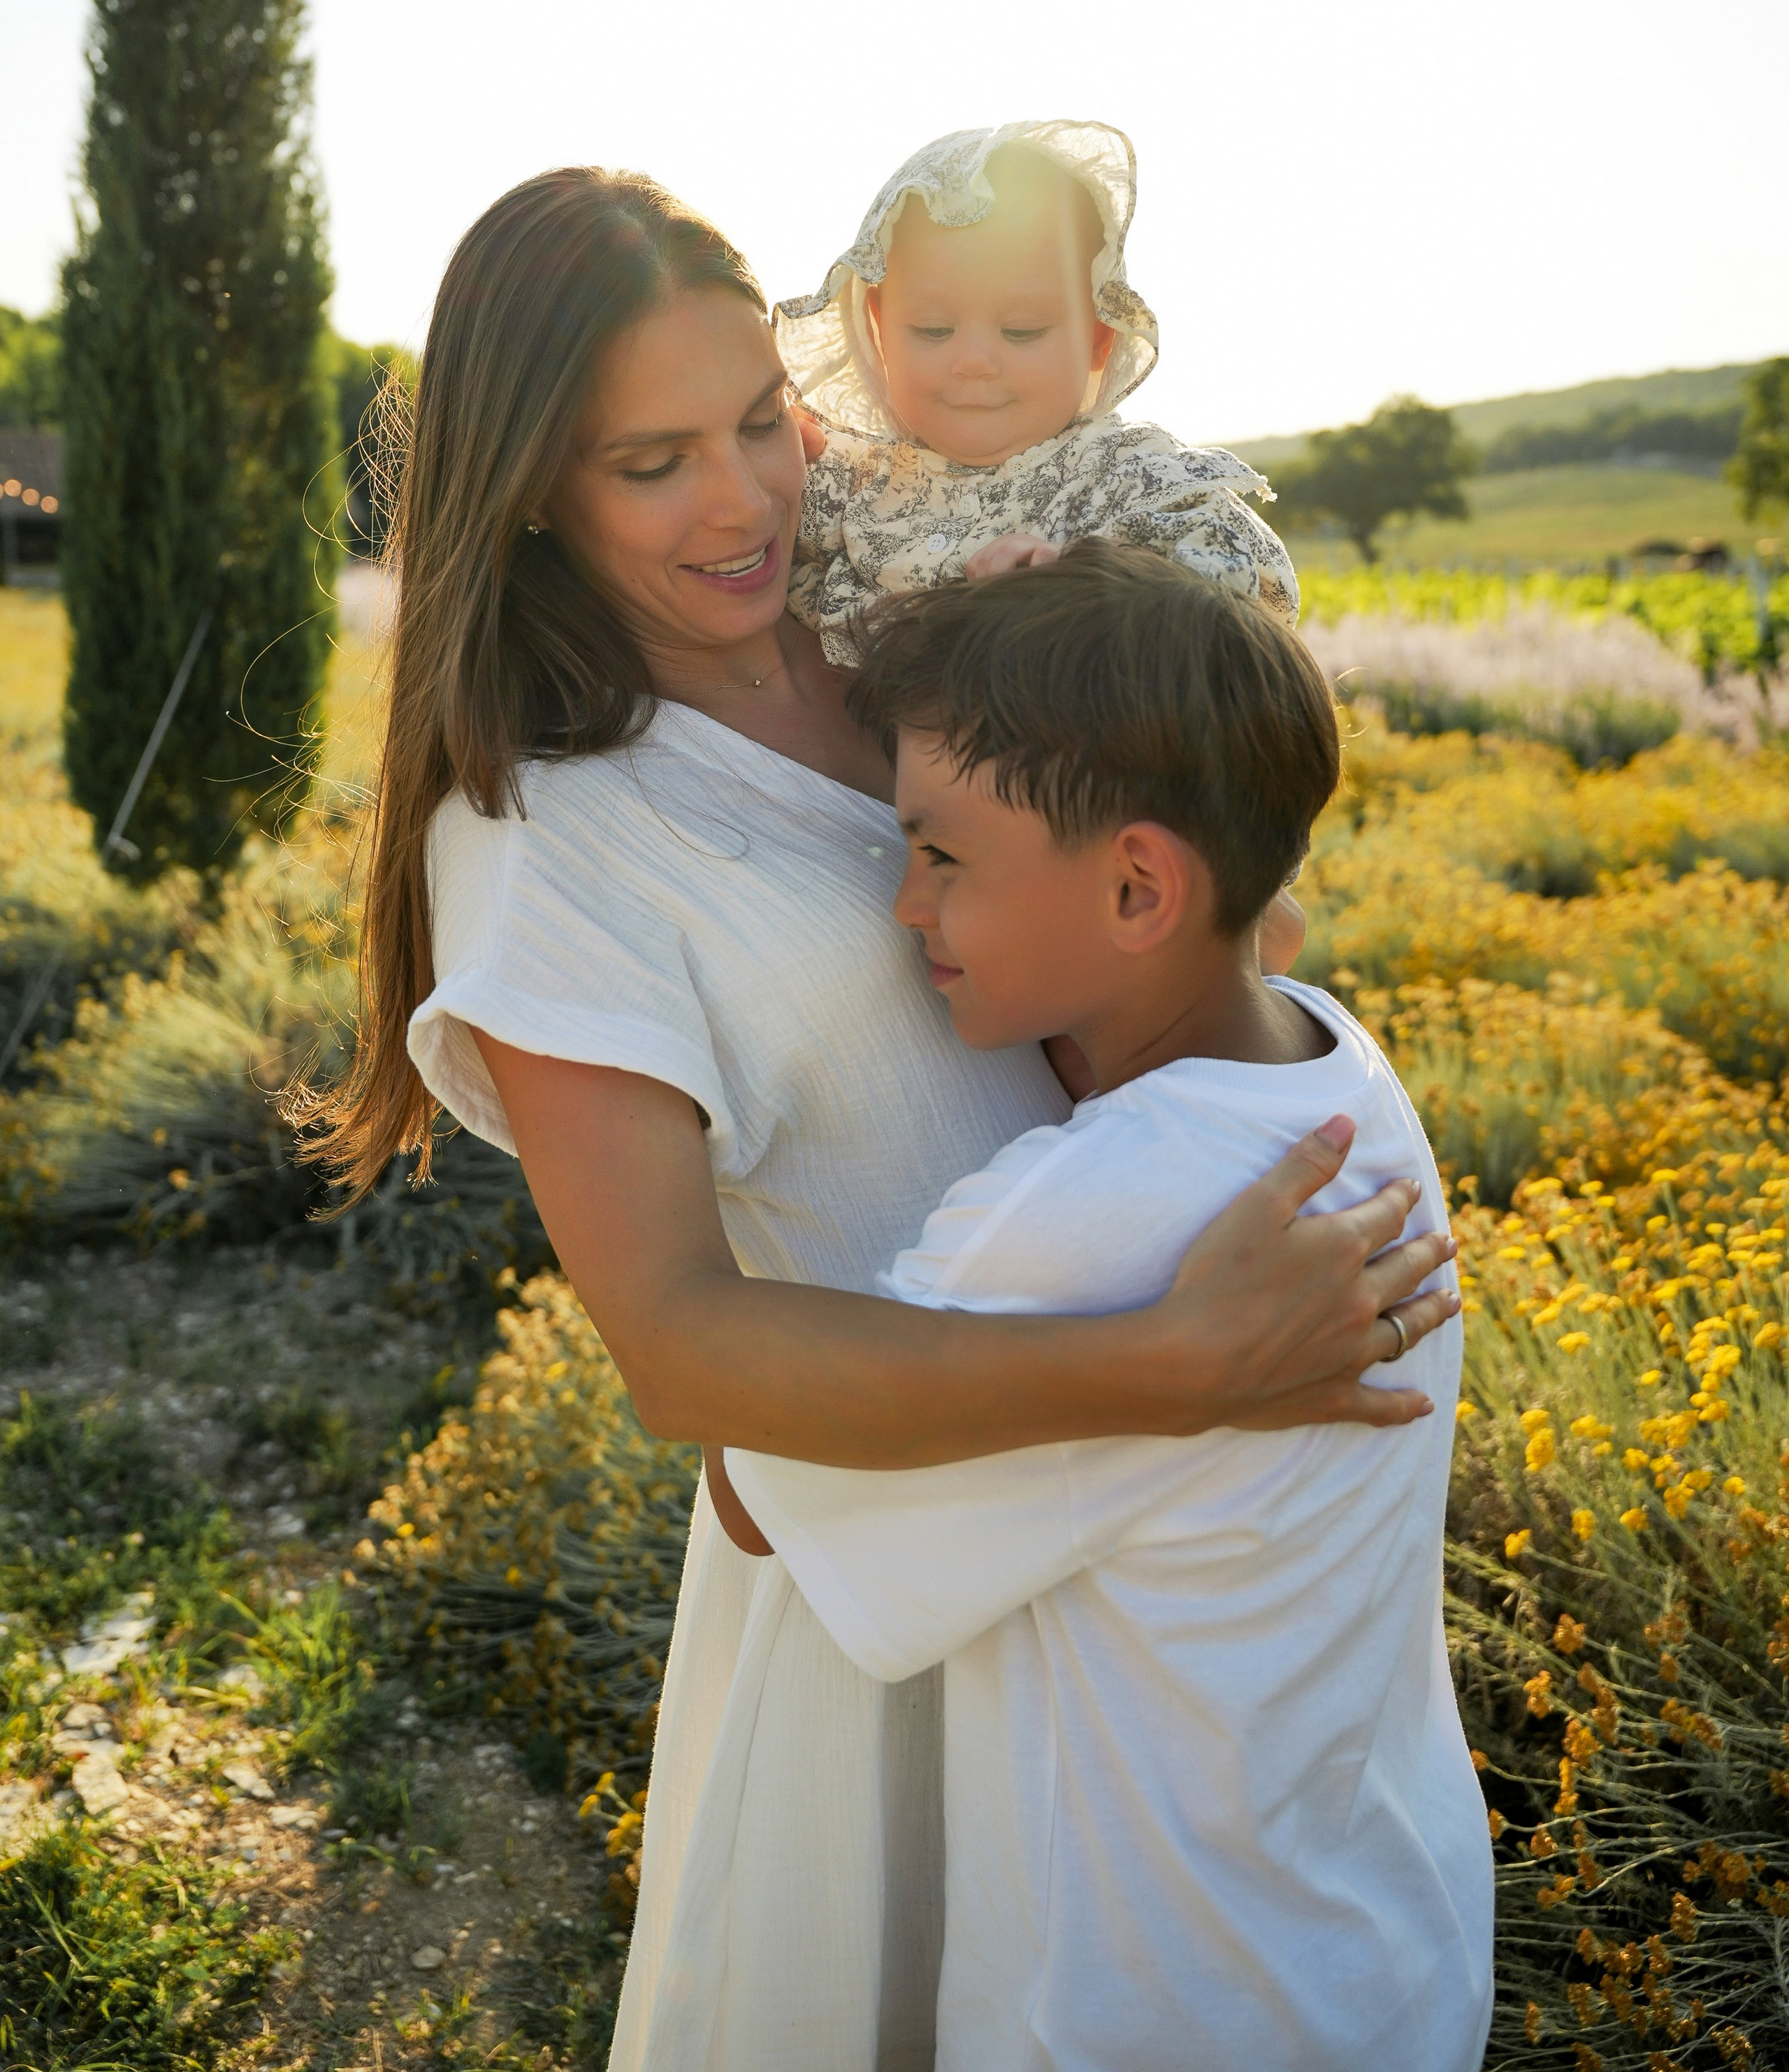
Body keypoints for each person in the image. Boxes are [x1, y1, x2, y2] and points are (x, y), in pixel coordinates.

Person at [317, 165, 1459, 2072]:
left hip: (1174, 1540)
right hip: (883, 1558)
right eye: (654, 461)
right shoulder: (543, 831)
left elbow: (1207, 862)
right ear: (528, 485)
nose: (752, 497)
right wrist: (1162, 1360)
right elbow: (682, 1350)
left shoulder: (915, 600)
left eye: (762, 418)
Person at [727, 548, 1491, 2072]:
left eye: (941, 853)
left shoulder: (1085, 1219)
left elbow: (756, 1492)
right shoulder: (1334, 1071)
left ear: (1138, 886)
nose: (901, 902)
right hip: (1382, 1953)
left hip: (1147, 2012)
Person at [772, 119, 1296, 666]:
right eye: (933, 329)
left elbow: (1256, 586)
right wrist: (772, 453)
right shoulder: (854, 483)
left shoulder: (1123, 475)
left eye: (1021, 330)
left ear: (1099, 335)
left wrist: (1087, 576)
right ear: (880, 330)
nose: (973, 361)